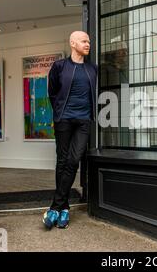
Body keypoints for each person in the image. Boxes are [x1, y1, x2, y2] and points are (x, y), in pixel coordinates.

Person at [42, 31, 97, 229]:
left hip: (84, 121)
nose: (88, 44)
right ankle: (64, 209)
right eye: (84, 41)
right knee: (62, 160)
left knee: (74, 160)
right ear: (73, 43)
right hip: (64, 120)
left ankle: (54, 207)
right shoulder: (59, 66)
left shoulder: (92, 69)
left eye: (89, 41)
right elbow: (52, 92)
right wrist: (59, 113)